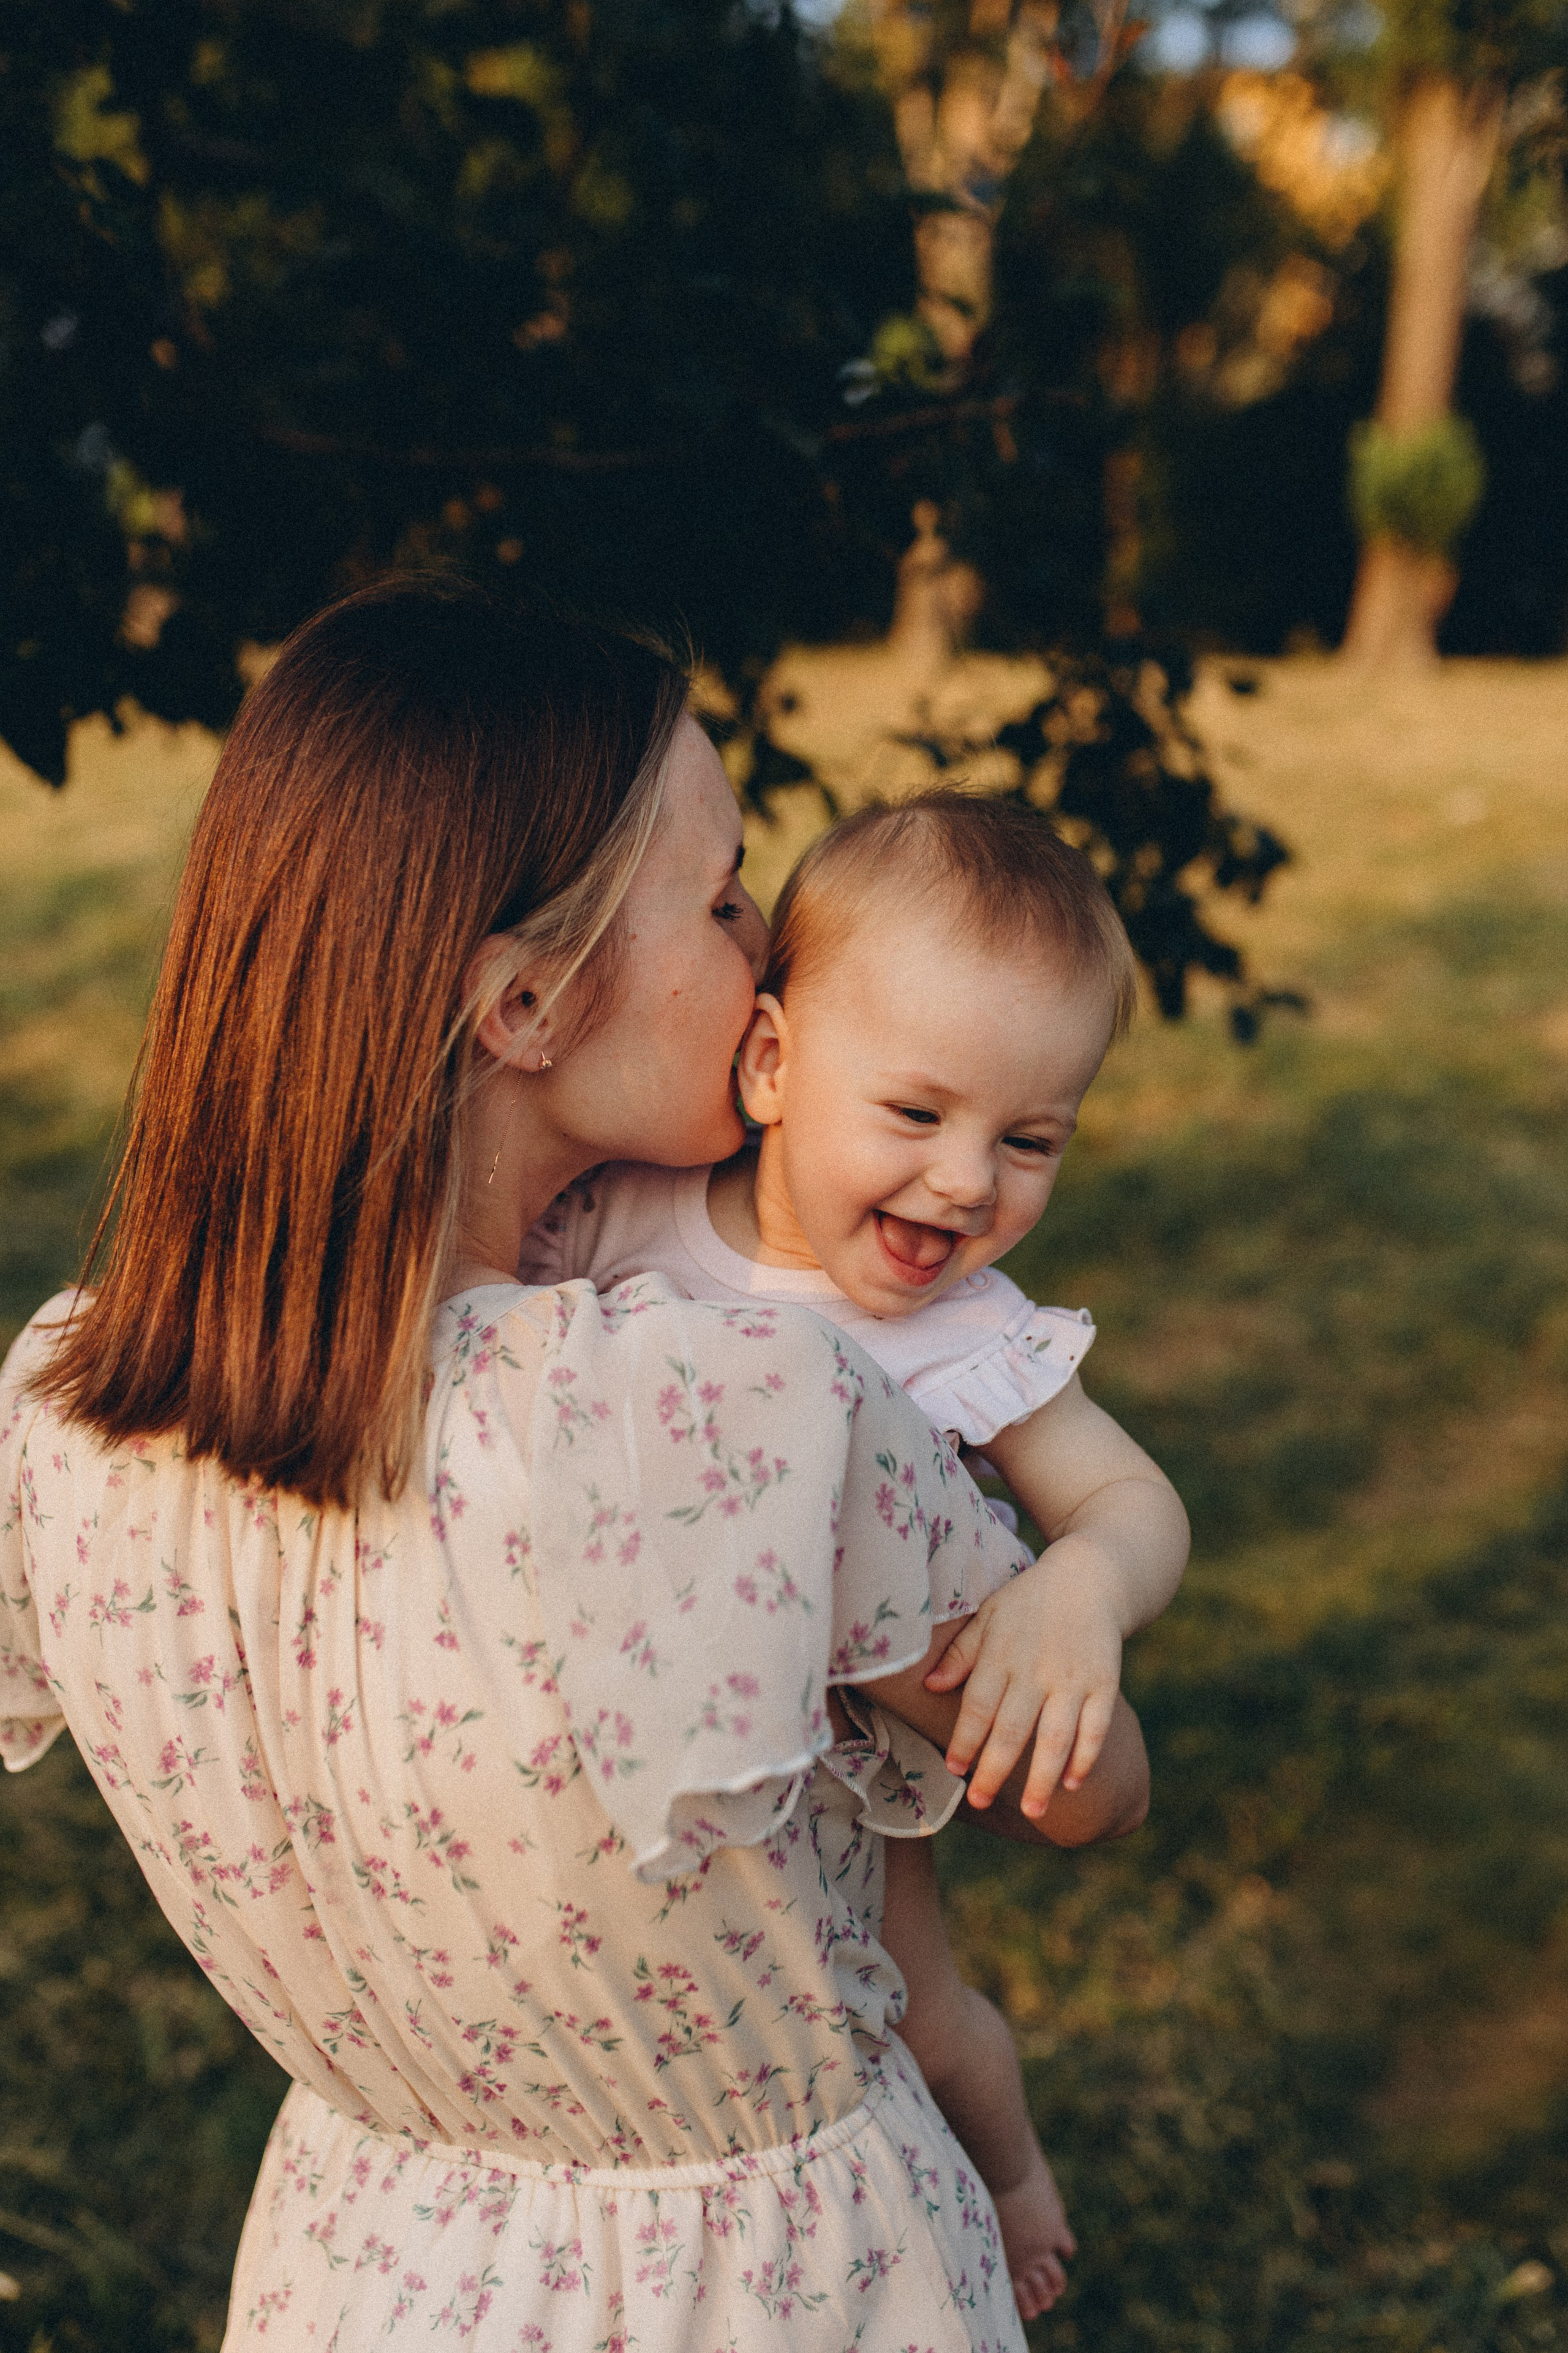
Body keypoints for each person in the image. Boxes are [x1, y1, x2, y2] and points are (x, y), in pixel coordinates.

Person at [0, 578, 1150, 2353]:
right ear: (524, 1004)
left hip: (367, 2270)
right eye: (718, 895)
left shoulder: (79, 1406)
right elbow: (1085, 1784)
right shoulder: (727, 1413)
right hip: (767, 2294)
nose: (767, 950)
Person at [519, 791, 1190, 2319]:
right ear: (771, 1062)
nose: (967, 1184)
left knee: (915, 2009)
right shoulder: (618, 1223)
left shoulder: (970, 1334)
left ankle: (1009, 2179)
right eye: (917, 1115)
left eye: (1029, 1140)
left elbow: (1131, 1496)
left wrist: (1081, 1585)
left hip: (851, 1767)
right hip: (627, 1710)